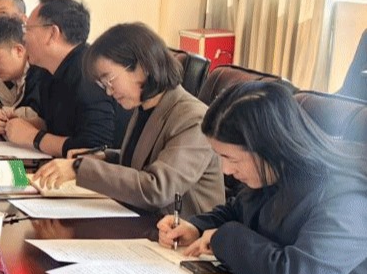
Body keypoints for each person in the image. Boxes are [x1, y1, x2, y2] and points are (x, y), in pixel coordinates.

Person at [158, 81, 367, 274]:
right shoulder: (277, 170)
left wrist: (221, 238)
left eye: (232, 158)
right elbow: (238, 210)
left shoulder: (348, 196)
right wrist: (196, 227)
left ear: (271, 148)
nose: (225, 169)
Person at [31, 22, 223, 215]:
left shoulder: (194, 119)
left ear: (142, 67)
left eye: (110, 80)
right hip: (141, 220)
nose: (109, 91)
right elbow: (142, 160)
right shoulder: (145, 108)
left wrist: (79, 168)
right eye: (103, 84)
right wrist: (103, 157)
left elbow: (157, 189)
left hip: (180, 229)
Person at [0, 0, 126, 157]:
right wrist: (17, 124)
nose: (23, 37)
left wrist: (33, 137)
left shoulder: (89, 72)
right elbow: (54, 125)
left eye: (27, 29)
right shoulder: (46, 70)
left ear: (52, 33)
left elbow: (95, 148)